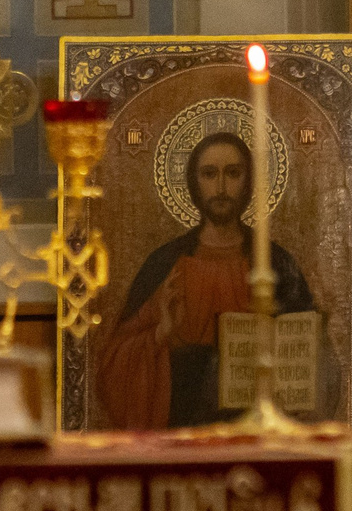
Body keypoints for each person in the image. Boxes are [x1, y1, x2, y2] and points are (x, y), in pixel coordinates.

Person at [94, 130, 317, 430]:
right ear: (193, 182)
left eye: (233, 174)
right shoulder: (165, 264)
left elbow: (311, 352)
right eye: (209, 174)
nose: (221, 187)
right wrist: (160, 333)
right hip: (181, 433)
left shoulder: (276, 264)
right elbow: (114, 366)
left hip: (258, 433)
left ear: (249, 181)